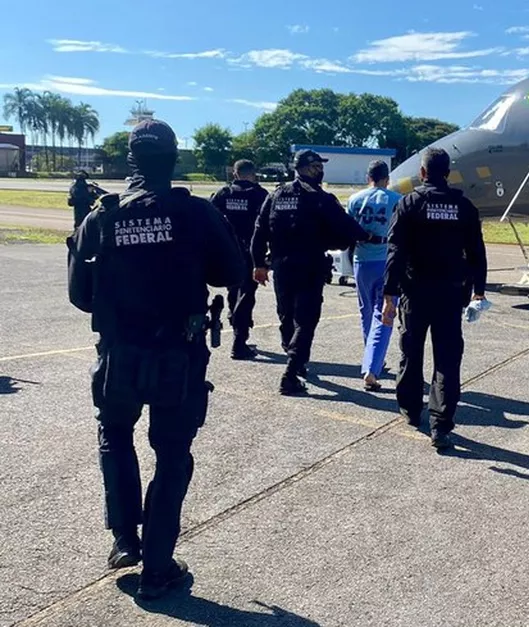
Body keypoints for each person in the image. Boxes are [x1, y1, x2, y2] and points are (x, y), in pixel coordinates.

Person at [67, 119, 244, 600]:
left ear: (131, 161)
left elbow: (79, 295)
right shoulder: (196, 213)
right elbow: (233, 272)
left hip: (119, 352)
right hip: (176, 354)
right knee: (171, 454)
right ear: (172, 159)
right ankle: (157, 566)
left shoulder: (101, 215)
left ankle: (125, 540)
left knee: (115, 436)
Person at [251, 149, 384, 396]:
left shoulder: (277, 194)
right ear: (307, 168)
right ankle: (290, 373)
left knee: (286, 316)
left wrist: (258, 263)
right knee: (306, 320)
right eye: (317, 166)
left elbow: (259, 231)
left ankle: (296, 361)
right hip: (308, 266)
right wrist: (370, 237)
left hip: (282, 266)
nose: (320, 170)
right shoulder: (320, 198)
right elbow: (346, 225)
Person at [381, 147, 487, 450]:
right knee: (448, 359)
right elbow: (477, 252)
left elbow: (396, 251)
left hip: (415, 292)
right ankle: (441, 424)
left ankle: (411, 410)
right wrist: (479, 289)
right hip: (451, 294)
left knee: (411, 352)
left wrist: (390, 292)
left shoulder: (409, 204)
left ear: (423, 173)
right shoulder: (464, 207)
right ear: (448, 173)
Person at [347, 160, 403, 391]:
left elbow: (348, 228)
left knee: (366, 311)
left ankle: (371, 355)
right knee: (386, 312)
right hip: (386, 259)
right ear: (386, 178)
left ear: (367, 177)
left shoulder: (354, 199)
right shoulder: (396, 199)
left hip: (362, 259)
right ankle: (372, 366)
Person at [209, 159, 269, 359]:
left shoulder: (223, 194)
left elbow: (210, 217)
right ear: (253, 174)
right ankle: (239, 341)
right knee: (246, 295)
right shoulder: (261, 195)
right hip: (250, 251)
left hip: (226, 251)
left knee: (233, 290)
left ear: (235, 174)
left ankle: (235, 319)